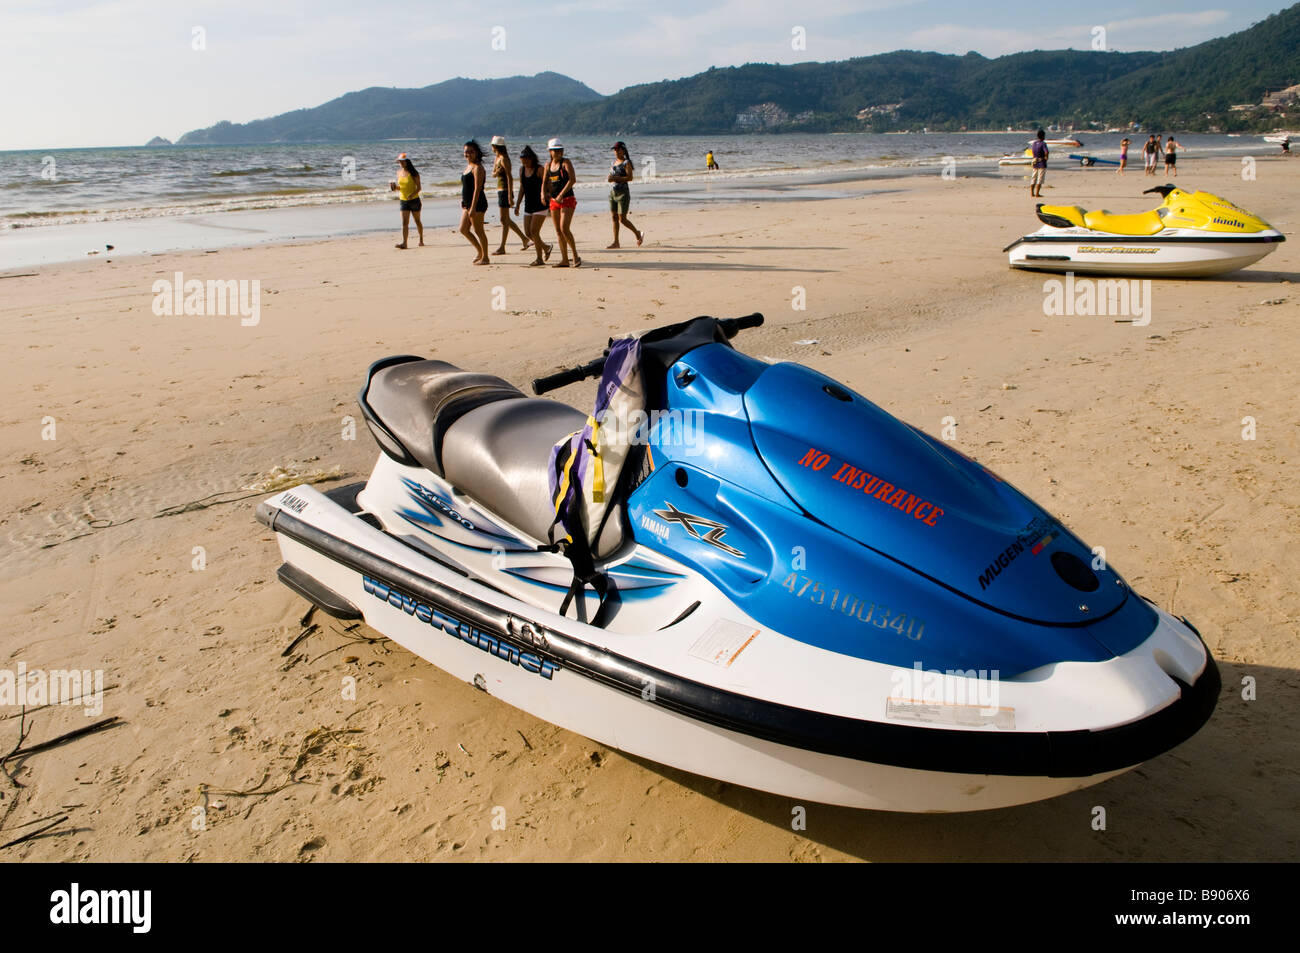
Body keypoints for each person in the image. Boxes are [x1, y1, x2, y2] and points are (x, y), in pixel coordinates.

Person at [490, 136, 530, 255]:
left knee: (504, 219)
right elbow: (493, 174)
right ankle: (523, 239)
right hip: (500, 190)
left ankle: (503, 246)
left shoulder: (504, 159)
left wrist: (509, 195)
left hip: (505, 190)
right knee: (505, 219)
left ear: (496, 147)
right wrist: (496, 173)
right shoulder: (497, 158)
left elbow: (509, 177)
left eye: (492, 146)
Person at [514, 145, 553, 266]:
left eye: (526, 160)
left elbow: (549, 184)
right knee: (528, 233)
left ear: (531, 158)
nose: (524, 162)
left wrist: (549, 196)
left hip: (540, 204)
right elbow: (522, 188)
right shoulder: (521, 170)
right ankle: (546, 247)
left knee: (534, 231)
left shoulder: (540, 169)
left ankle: (539, 259)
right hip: (528, 204)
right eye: (522, 160)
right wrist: (517, 204)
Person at [544, 137, 580, 268]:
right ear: (550, 152)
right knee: (558, 230)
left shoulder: (566, 163)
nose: (558, 153)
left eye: (560, 150)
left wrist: (561, 194)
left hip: (567, 199)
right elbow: (544, 181)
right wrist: (543, 193)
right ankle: (564, 259)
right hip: (554, 201)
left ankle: (575, 255)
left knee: (564, 228)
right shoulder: (548, 165)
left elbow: (572, 180)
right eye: (555, 151)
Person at [606, 141, 644, 249]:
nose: (616, 152)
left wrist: (616, 178)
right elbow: (610, 176)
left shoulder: (626, 162)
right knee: (614, 217)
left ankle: (637, 233)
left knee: (622, 219)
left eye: (618, 149)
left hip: (623, 193)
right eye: (615, 150)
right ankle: (616, 242)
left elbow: (630, 178)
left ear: (623, 150)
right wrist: (610, 178)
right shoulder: (613, 163)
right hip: (613, 192)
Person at [459, 140, 491, 265]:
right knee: (463, 229)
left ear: (476, 153)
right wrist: (464, 202)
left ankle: (486, 257)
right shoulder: (468, 166)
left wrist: (472, 207)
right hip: (467, 204)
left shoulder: (478, 168)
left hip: (477, 204)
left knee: (479, 231)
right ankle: (480, 252)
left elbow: (478, 189)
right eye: (466, 152)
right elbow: (466, 188)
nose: (468, 154)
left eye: (471, 152)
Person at [389, 153, 423, 249]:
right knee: (404, 222)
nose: (400, 163)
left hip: (414, 200)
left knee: (417, 221)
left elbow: (419, 188)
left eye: (402, 161)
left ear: (407, 162)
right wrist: (395, 187)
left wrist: (412, 195)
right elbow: (401, 187)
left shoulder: (414, 173)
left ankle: (421, 239)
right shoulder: (399, 172)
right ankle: (404, 243)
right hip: (403, 200)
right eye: (399, 162)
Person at [1029, 129, 1048, 198]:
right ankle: (1037, 193)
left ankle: (1032, 193)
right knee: (1040, 178)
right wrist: (1046, 158)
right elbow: (1046, 152)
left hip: (1034, 162)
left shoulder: (1034, 143)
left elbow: (1033, 152)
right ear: (1043, 136)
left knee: (1033, 178)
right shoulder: (1043, 143)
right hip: (1041, 162)